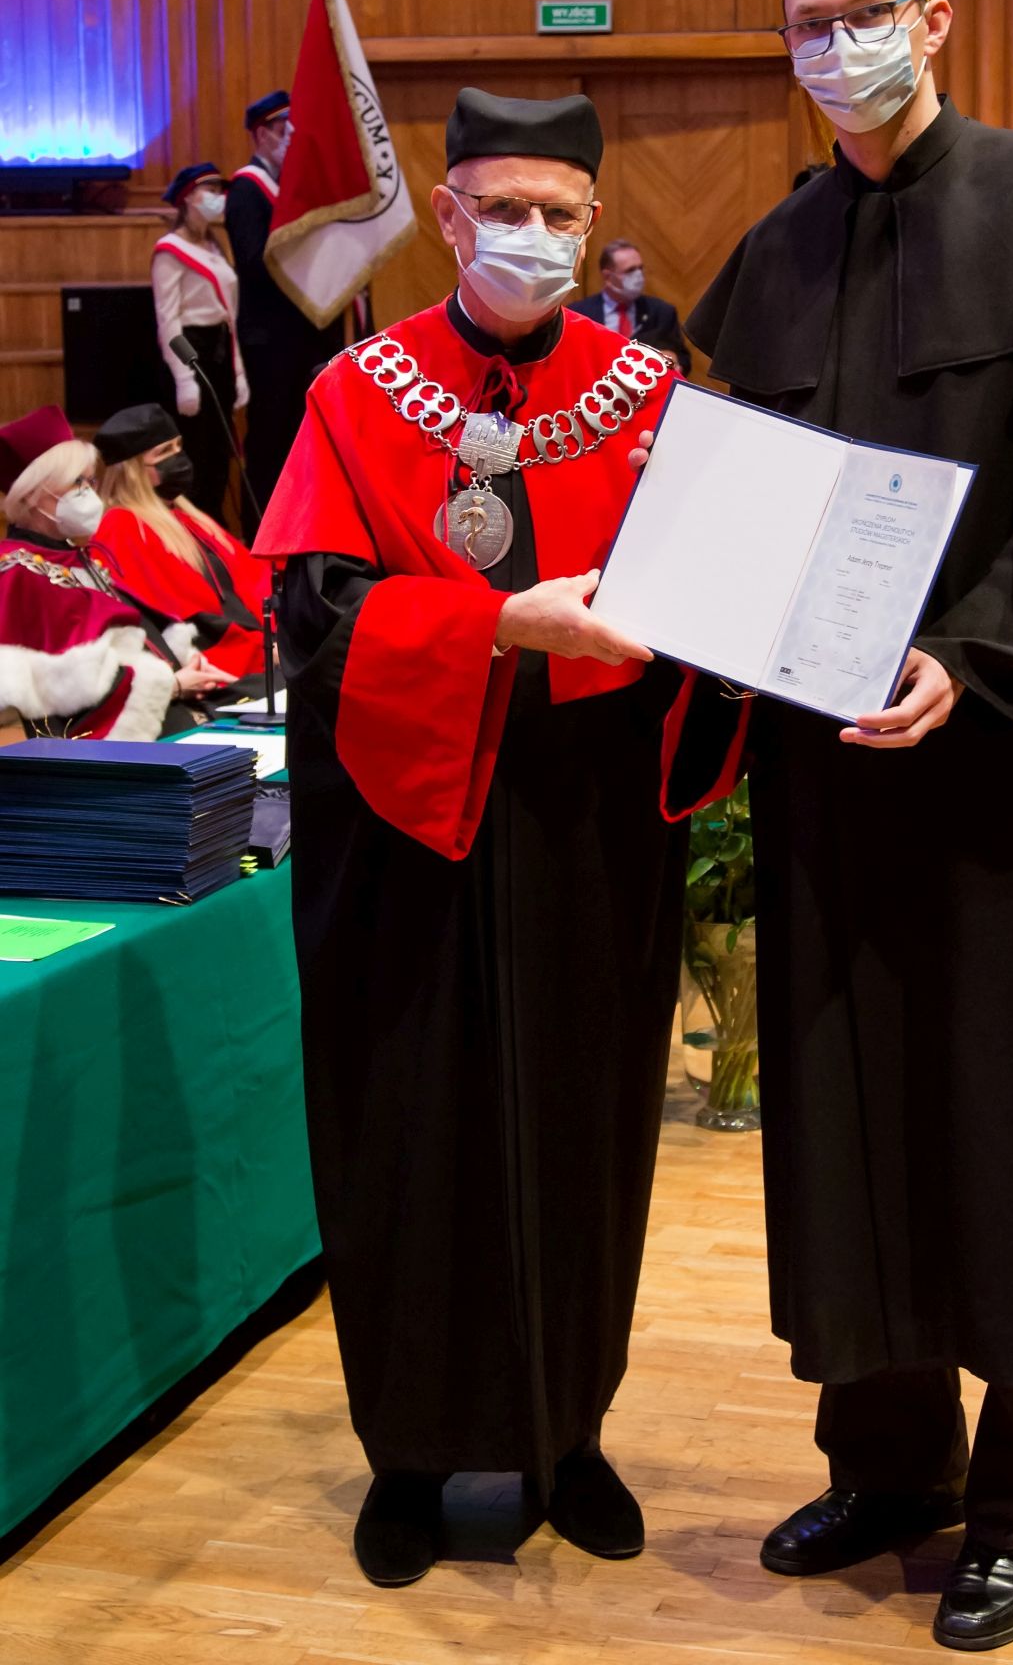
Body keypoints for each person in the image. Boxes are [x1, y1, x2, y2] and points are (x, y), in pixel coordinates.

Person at [653, 0, 1013, 1652]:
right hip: (834, 767)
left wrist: (969, 657)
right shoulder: (776, 253)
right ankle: (890, 1467)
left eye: (869, 15)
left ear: (935, 20)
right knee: (849, 1109)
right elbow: (743, 504)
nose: (840, 47)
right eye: (811, 25)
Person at [254, 88, 687, 1589]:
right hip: (406, 823)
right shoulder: (355, 390)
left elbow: (701, 586)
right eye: (503, 208)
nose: (533, 235)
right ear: (446, 216)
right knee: (405, 1128)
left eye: (560, 213)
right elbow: (310, 615)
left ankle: (572, 1435)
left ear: (593, 218)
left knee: (586, 1123)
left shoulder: (645, 390)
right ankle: (409, 1455)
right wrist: (495, 625)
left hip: (585, 821)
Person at [0, 407, 230, 739]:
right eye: (77, 482)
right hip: (112, 740)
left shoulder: (73, 553)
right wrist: (172, 684)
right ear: (34, 495)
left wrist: (181, 661)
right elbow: (61, 684)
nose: (89, 492)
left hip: (163, 708)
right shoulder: (18, 572)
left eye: (90, 480)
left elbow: (132, 631)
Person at [224, 90, 345, 512]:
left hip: (303, 333)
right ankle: (260, 526)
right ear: (261, 135)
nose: (291, 138)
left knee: (301, 434)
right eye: (282, 130)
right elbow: (251, 260)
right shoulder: (247, 188)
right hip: (269, 336)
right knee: (269, 438)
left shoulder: (293, 189)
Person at [94, 403, 272, 681]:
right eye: (164, 451)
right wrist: (264, 652)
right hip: (217, 665)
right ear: (132, 470)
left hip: (260, 649)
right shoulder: (122, 527)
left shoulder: (188, 518)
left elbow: (254, 577)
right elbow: (184, 614)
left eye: (178, 446)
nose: (178, 457)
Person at [152, 163, 249, 524]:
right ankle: (193, 531)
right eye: (209, 190)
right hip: (190, 351)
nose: (218, 197)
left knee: (220, 453)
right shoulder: (170, 250)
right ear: (187, 197)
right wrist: (183, 378)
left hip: (220, 348)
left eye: (219, 190)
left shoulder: (214, 245)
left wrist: (238, 373)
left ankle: (214, 530)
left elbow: (229, 315)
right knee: (195, 451)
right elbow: (168, 319)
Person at [574, 239, 692, 373]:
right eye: (630, 270)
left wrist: (674, 360)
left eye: (640, 268)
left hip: (647, 382)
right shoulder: (578, 313)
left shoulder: (661, 312)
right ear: (607, 277)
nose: (638, 275)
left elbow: (684, 360)